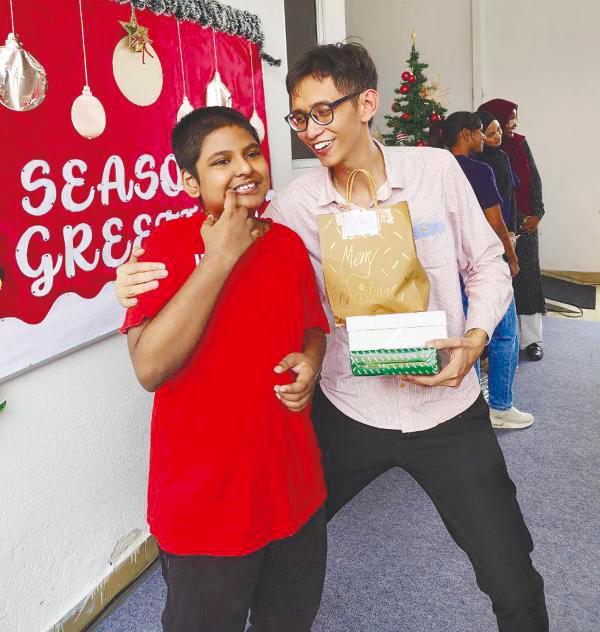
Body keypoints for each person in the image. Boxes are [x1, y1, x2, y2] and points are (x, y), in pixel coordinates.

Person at [115, 44, 549, 631]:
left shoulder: (434, 171)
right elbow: (222, 212)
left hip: (446, 407)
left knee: (510, 571)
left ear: (366, 102)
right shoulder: (295, 206)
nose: (312, 131)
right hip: (347, 410)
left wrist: (474, 340)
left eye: (325, 112)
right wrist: (131, 277)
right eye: (300, 118)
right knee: (286, 545)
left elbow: (490, 264)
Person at [121, 106, 330, 632]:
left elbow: (312, 326)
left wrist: (310, 359)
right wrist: (220, 257)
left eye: (252, 152)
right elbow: (149, 367)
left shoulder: (285, 245)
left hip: (293, 492)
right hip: (203, 508)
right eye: (222, 160)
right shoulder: (164, 247)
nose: (245, 168)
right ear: (190, 180)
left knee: (290, 621)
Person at [433, 111, 533, 430]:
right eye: (478, 133)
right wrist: (511, 257)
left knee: (466, 334)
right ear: (465, 134)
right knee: (503, 333)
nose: (482, 139)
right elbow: (495, 221)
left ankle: (471, 405)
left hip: (449, 268)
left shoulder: (433, 171)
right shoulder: (479, 170)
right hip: (483, 265)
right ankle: (500, 407)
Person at [479, 99, 546, 361]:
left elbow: (535, 178)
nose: (514, 123)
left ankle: (531, 341)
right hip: (495, 227)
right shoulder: (479, 152)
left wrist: (538, 212)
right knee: (496, 283)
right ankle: (493, 342)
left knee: (527, 280)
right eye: (509, 119)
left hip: (524, 222)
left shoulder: (519, 143)